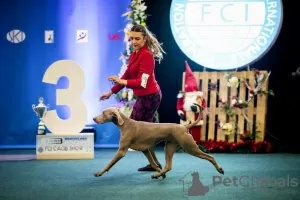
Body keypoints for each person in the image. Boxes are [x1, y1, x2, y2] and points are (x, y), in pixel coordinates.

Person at [99, 24, 166, 172]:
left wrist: (121, 82)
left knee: (141, 133)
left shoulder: (147, 56)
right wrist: (111, 92)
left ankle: (155, 165)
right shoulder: (134, 54)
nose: (134, 41)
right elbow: (127, 76)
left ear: (145, 39)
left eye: (137, 39)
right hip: (143, 97)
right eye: (132, 38)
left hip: (150, 97)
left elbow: (142, 83)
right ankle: (155, 164)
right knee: (139, 132)